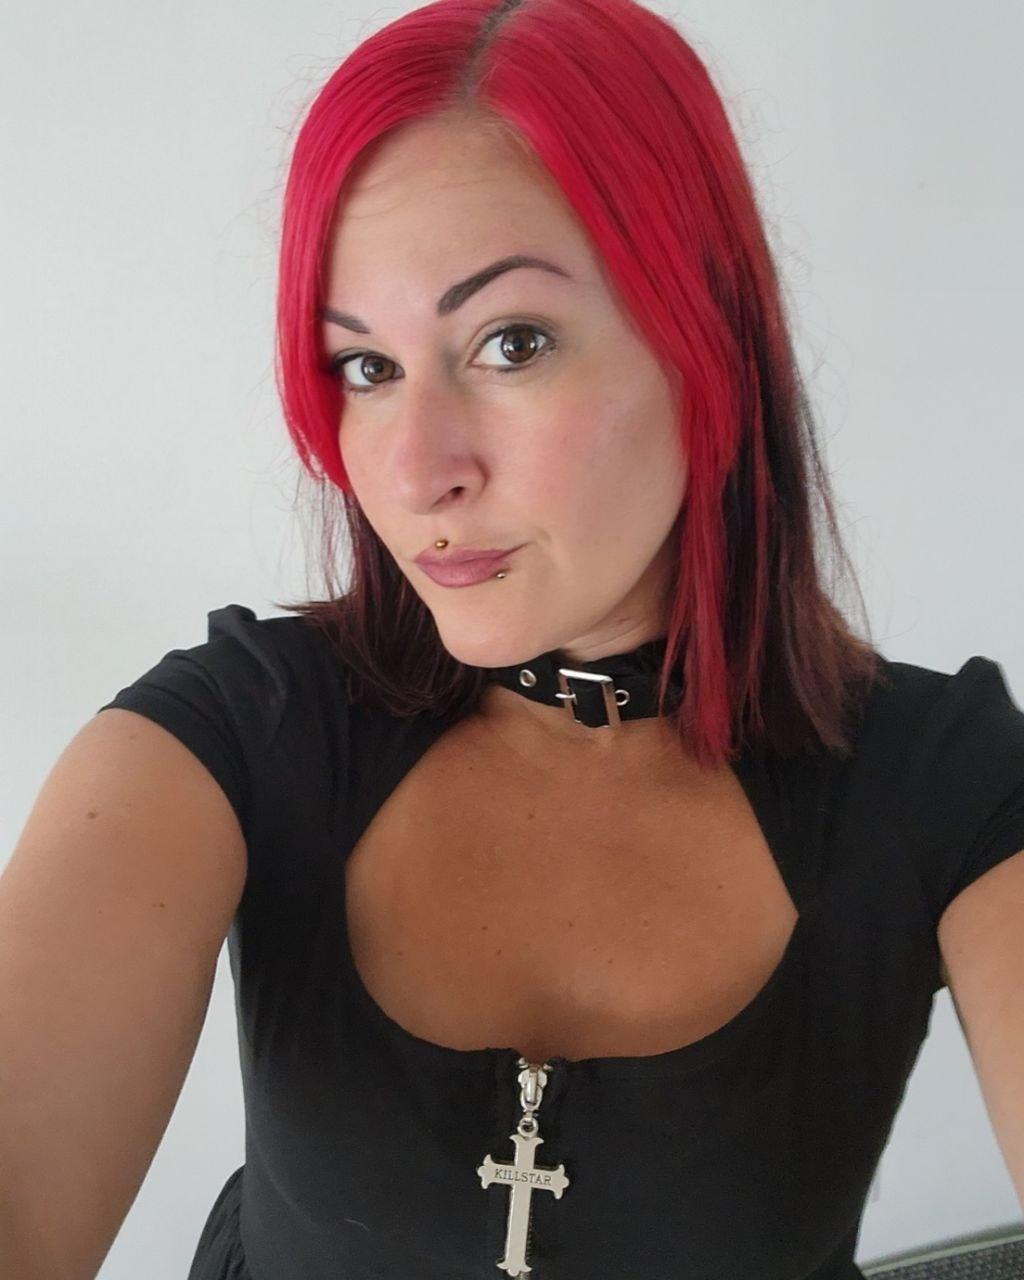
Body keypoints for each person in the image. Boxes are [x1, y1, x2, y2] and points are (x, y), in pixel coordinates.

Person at [3, 0, 1023, 1277]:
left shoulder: (943, 783)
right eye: (365, 367)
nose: (414, 469)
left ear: (704, 342)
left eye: (511, 343)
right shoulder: (234, 731)